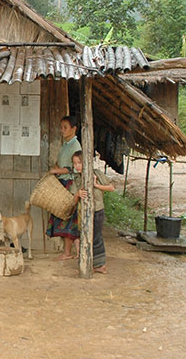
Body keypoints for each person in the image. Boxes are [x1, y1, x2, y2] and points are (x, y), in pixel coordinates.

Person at [46, 115, 83, 261]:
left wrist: (56, 171)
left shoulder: (76, 146)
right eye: (61, 127)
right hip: (62, 184)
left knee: (68, 219)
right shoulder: (66, 145)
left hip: (70, 185)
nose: (62, 130)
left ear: (74, 129)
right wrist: (56, 168)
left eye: (65, 127)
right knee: (63, 217)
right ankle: (71, 252)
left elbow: (74, 169)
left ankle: (68, 252)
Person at [71, 151, 115, 273]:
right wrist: (78, 194)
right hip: (83, 213)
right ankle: (89, 263)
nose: (77, 166)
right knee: (84, 236)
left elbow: (111, 188)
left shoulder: (97, 174)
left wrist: (96, 185)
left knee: (96, 237)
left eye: (79, 163)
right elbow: (73, 200)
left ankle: (100, 265)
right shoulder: (77, 179)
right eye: (75, 163)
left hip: (97, 211)